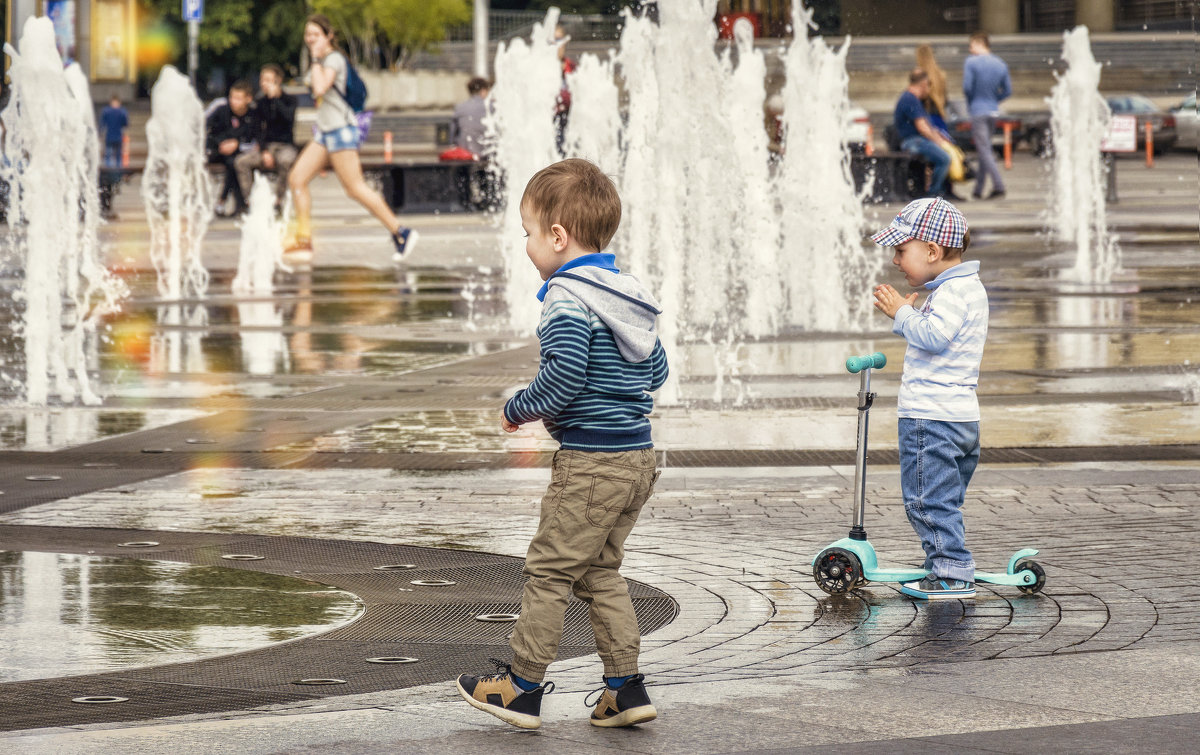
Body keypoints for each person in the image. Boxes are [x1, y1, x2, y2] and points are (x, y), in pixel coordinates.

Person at [455, 159, 668, 730]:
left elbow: (565, 373)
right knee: (600, 569)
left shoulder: (568, 297)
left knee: (549, 572)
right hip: (638, 459)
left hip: (592, 463)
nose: (525, 244)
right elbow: (658, 370)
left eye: (527, 232)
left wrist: (519, 408)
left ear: (557, 236)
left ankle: (520, 687)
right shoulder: (627, 293)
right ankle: (623, 689)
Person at [869, 197, 987, 600]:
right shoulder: (963, 288)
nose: (896, 260)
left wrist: (901, 314)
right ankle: (944, 562)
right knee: (942, 500)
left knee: (926, 501)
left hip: (932, 419)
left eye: (902, 250)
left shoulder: (955, 292)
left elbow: (934, 338)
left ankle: (951, 572)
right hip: (958, 419)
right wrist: (911, 317)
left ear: (933, 251)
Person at [287, 14, 417, 262]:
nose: (310, 39)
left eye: (316, 34)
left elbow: (320, 88)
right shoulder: (322, 60)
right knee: (297, 179)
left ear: (329, 36)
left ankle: (400, 232)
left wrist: (315, 58)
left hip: (340, 130)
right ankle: (303, 240)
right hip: (325, 131)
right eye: (308, 35)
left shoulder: (333, 59)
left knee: (355, 188)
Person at [236, 64, 298, 211]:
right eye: (263, 79)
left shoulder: (289, 100)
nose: (264, 83)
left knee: (286, 161)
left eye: (269, 80)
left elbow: (289, 119)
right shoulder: (259, 103)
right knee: (241, 162)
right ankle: (251, 201)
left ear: (278, 81)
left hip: (285, 145)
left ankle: (278, 200)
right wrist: (264, 151)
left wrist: (275, 99)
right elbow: (257, 129)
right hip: (267, 147)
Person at [893, 68, 958, 200]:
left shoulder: (910, 98)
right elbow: (923, 127)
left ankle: (937, 191)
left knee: (944, 156)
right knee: (944, 159)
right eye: (928, 86)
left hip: (915, 141)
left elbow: (927, 126)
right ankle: (933, 193)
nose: (929, 90)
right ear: (923, 84)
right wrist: (939, 142)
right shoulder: (910, 99)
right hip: (913, 141)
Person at [963, 31, 1011, 199]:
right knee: (985, 148)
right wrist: (994, 100)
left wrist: (972, 102)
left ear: (979, 43)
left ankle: (999, 185)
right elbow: (1008, 90)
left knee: (984, 150)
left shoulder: (971, 62)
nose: (970, 49)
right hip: (993, 110)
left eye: (971, 45)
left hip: (978, 109)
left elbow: (967, 87)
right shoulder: (1000, 64)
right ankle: (978, 189)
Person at [206, 80, 257, 217]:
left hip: (237, 153)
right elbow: (207, 127)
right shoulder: (222, 110)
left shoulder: (252, 116)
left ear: (248, 99)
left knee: (234, 162)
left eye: (239, 99)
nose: (234, 102)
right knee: (234, 162)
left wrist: (237, 144)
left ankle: (223, 201)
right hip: (217, 150)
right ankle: (239, 203)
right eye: (232, 97)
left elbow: (252, 139)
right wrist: (219, 143)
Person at [449, 76, 491, 158]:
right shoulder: (492, 107)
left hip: (466, 157)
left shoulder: (459, 108)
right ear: (483, 91)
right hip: (487, 157)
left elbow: (452, 137)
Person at [915, 44, 949, 131]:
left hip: (924, 118)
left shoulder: (918, 75)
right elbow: (946, 101)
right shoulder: (940, 75)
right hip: (939, 115)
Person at [99, 94, 128, 169]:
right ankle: (117, 171)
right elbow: (125, 123)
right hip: (117, 136)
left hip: (110, 136)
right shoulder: (122, 112)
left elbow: (102, 123)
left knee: (109, 155)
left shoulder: (106, 111)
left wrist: (100, 132)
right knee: (117, 155)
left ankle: (109, 170)